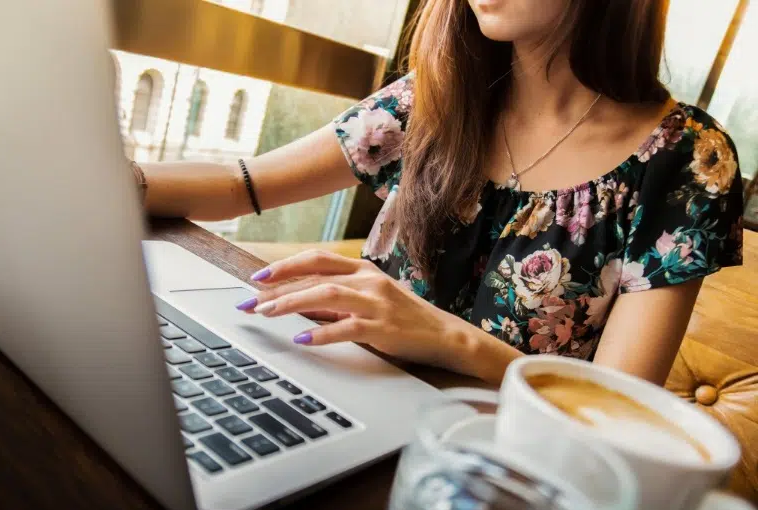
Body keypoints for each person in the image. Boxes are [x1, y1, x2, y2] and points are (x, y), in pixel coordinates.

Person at [134, 0, 744, 386]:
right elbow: (245, 185)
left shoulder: (686, 159)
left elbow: (618, 409)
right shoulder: (437, 95)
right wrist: (107, 177)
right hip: (346, 391)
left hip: (503, 469)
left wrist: (450, 340)